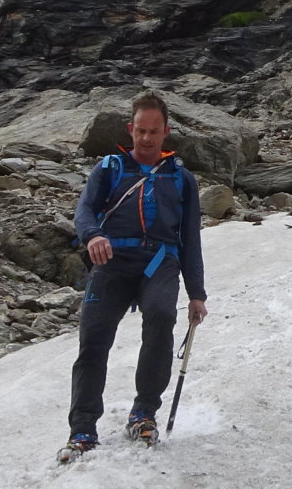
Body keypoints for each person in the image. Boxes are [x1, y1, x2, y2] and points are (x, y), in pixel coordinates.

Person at [62, 91, 209, 456]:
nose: (146, 138)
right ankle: (82, 429)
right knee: (94, 339)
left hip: (160, 261)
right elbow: (84, 211)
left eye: (153, 131)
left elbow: (190, 238)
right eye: (140, 130)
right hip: (111, 259)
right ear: (130, 129)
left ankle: (144, 412)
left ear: (166, 132)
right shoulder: (109, 168)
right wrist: (92, 235)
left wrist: (197, 293)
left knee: (160, 316)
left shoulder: (181, 178)